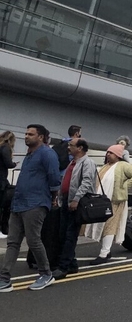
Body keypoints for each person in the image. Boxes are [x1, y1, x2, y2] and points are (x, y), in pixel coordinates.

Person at [0, 124, 61, 291]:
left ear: (40, 137)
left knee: (33, 240)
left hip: (36, 203)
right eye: (26, 133)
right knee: (12, 242)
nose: (26, 136)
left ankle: (46, 274)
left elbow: (54, 179)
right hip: (18, 204)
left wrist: (53, 199)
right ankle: (4, 279)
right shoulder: (30, 154)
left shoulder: (47, 154)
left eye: (30, 134)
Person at [84, 144, 132, 265]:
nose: (108, 155)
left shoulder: (123, 165)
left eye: (111, 153)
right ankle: (105, 251)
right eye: (107, 153)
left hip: (115, 200)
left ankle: (104, 253)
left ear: (118, 155)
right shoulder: (106, 166)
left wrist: (125, 185)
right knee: (102, 224)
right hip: (103, 201)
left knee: (110, 226)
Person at [52, 138, 97, 280]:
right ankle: (72, 264)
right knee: (63, 233)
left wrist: (76, 199)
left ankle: (63, 267)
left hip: (76, 202)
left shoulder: (87, 163)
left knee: (70, 235)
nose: (68, 148)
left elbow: (87, 182)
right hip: (66, 200)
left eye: (71, 145)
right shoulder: (73, 162)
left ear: (80, 148)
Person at [0, 131, 18, 239]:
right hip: (1, 179)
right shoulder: (5, 148)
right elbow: (8, 163)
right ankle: (3, 227)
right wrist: (14, 164)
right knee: (3, 205)